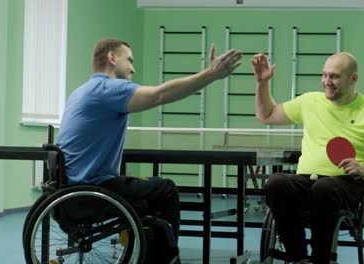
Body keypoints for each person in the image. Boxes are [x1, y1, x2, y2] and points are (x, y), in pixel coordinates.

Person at [56, 38, 242, 263]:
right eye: (130, 60)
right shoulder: (108, 88)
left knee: (147, 194)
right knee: (166, 190)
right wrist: (211, 75)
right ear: (112, 58)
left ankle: (152, 250)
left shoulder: (80, 91)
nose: (133, 68)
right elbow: (159, 95)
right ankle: (167, 259)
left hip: (67, 195)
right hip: (91, 193)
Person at [251, 52, 364, 264]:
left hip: (350, 184)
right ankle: (298, 258)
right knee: (276, 183)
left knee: (324, 188)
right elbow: (266, 115)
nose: (327, 81)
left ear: (353, 79)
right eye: (325, 75)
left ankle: (321, 259)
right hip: (308, 181)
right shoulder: (309, 101)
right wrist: (262, 83)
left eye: (334, 76)